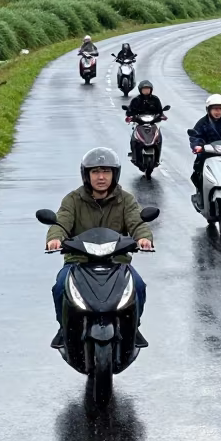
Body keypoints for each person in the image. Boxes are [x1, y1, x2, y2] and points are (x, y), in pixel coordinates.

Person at [45, 147, 154, 350]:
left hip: (117, 262)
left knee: (138, 286)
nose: (101, 177)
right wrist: (55, 238)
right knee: (60, 287)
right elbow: (61, 222)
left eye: (106, 172)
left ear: (115, 174)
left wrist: (143, 238)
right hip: (79, 262)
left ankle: (134, 327)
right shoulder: (73, 199)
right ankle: (63, 327)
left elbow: (137, 222)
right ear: (87, 175)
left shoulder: (126, 199)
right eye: (95, 172)